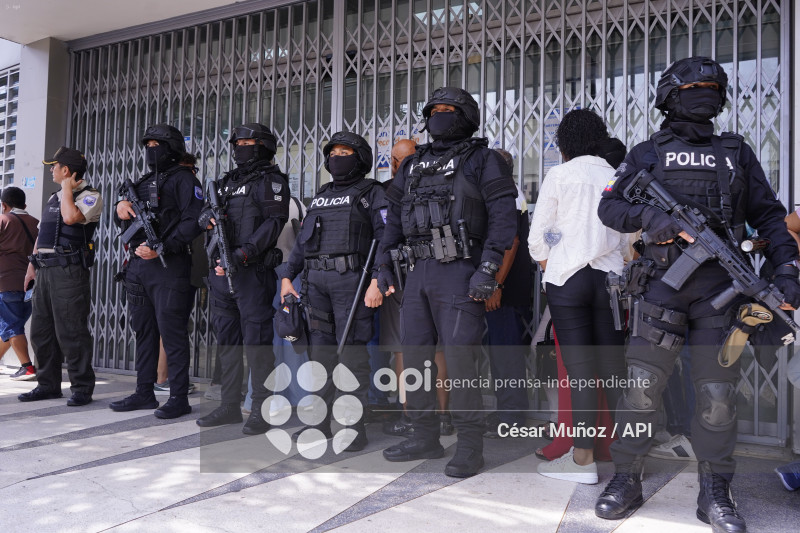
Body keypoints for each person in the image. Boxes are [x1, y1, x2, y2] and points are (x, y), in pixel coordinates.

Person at [595, 57, 800, 533]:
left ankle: (715, 493)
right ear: (670, 95)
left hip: (721, 297)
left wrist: (786, 270)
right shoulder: (647, 153)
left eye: (713, 87)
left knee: (717, 396)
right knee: (642, 391)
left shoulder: (736, 152)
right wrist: (652, 221)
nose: (704, 94)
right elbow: (610, 204)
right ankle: (626, 478)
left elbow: (769, 217)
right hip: (662, 288)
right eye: (695, 87)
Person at [377, 87, 518, 478]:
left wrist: (488, 269)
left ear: (467, 117)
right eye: (435, 110)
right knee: (416, 360)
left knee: (460, 362)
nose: (440, 115)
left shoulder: (484, 160)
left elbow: (504, 219)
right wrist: (382, 265)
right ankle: (424, 435)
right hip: (417, 272)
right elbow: (395, 216)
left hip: (461, 270)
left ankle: (471, 445)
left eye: (449, 110)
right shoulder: (413, 164)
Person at [528, 109, 630, 484]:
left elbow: (539, 236)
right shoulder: (614, 175)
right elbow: (624, 238)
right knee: (614, 369)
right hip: (608, 280)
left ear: (564, 143)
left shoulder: (560, 174)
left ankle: (583, 460)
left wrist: (551, 263)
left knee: (581, 372)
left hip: (567, 280)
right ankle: (627, 457)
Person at [281, 131, 386, 452]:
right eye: (333, 152)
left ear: (360, 158)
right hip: (316, 285)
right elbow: (302, 243)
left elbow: (386, 237)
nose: (337, 157)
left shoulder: (372, 192)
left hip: (352, 282)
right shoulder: (323, 194)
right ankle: (321, 422)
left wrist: (377, 281)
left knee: (352, 357)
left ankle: (355, 428)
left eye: (345, 151)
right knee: (321, 356)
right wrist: (288, 276)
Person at [196, 123, 289, 435]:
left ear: (263, 145)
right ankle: (229, 406)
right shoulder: (224, 182)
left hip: (252, 274)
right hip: (222, 275)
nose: (241, 146)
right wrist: (206, 219)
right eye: (237, 142)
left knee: (258, 345)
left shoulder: (271, 181)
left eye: (248, 141)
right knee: (228, 344)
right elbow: (203, 214)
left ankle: (262, 409)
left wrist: (243, 255)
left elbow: (274, 223)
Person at [110, 124, 204, 419]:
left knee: (172, 333)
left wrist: (163, 246)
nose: (152, 150)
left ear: (171, 147)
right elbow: (125, 223)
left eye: (157, 144)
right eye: (147, 144)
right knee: (144, 331)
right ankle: (144, 392)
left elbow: (195, 220)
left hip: (169, 265)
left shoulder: (185, 179)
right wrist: (120, 207)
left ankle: (178, 397)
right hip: (138, 266)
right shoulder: (144, 180)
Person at [18, 147, 102, 406]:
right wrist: (32, 265)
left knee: (71, 331)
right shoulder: (54, 198)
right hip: (44, 269)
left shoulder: (91, 196)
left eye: (54, 166)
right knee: (41, 331)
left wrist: (67, 189)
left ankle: (81, 388)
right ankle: (48, 385)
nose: (51, 170)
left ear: (66, 171)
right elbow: (42, 235)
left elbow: (71, 217)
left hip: (69, 271)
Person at [482, 148, 533, 439]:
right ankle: (506, 411)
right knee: (500, 353)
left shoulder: (509, 195)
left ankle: (512, 415)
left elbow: (510, 242)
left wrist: (496, 285)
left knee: (506, 353)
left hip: (506, 288)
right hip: (502, 286)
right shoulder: (508, 192)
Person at [155, 152, 203, 396]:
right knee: (173, 325)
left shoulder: (169, 194)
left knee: (170, 324)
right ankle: (164, 378)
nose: (191, 175)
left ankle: (163, 377)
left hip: (174, 269)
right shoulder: (177, 198)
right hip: (176, 269)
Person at [0, 187, 39, 381]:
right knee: (13, 325)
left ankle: (27, 367)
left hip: (6, 282)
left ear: (4, 205)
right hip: (30, 285)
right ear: (24, 205)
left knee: (11, 326)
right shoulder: (36, 223)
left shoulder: (3, 220)